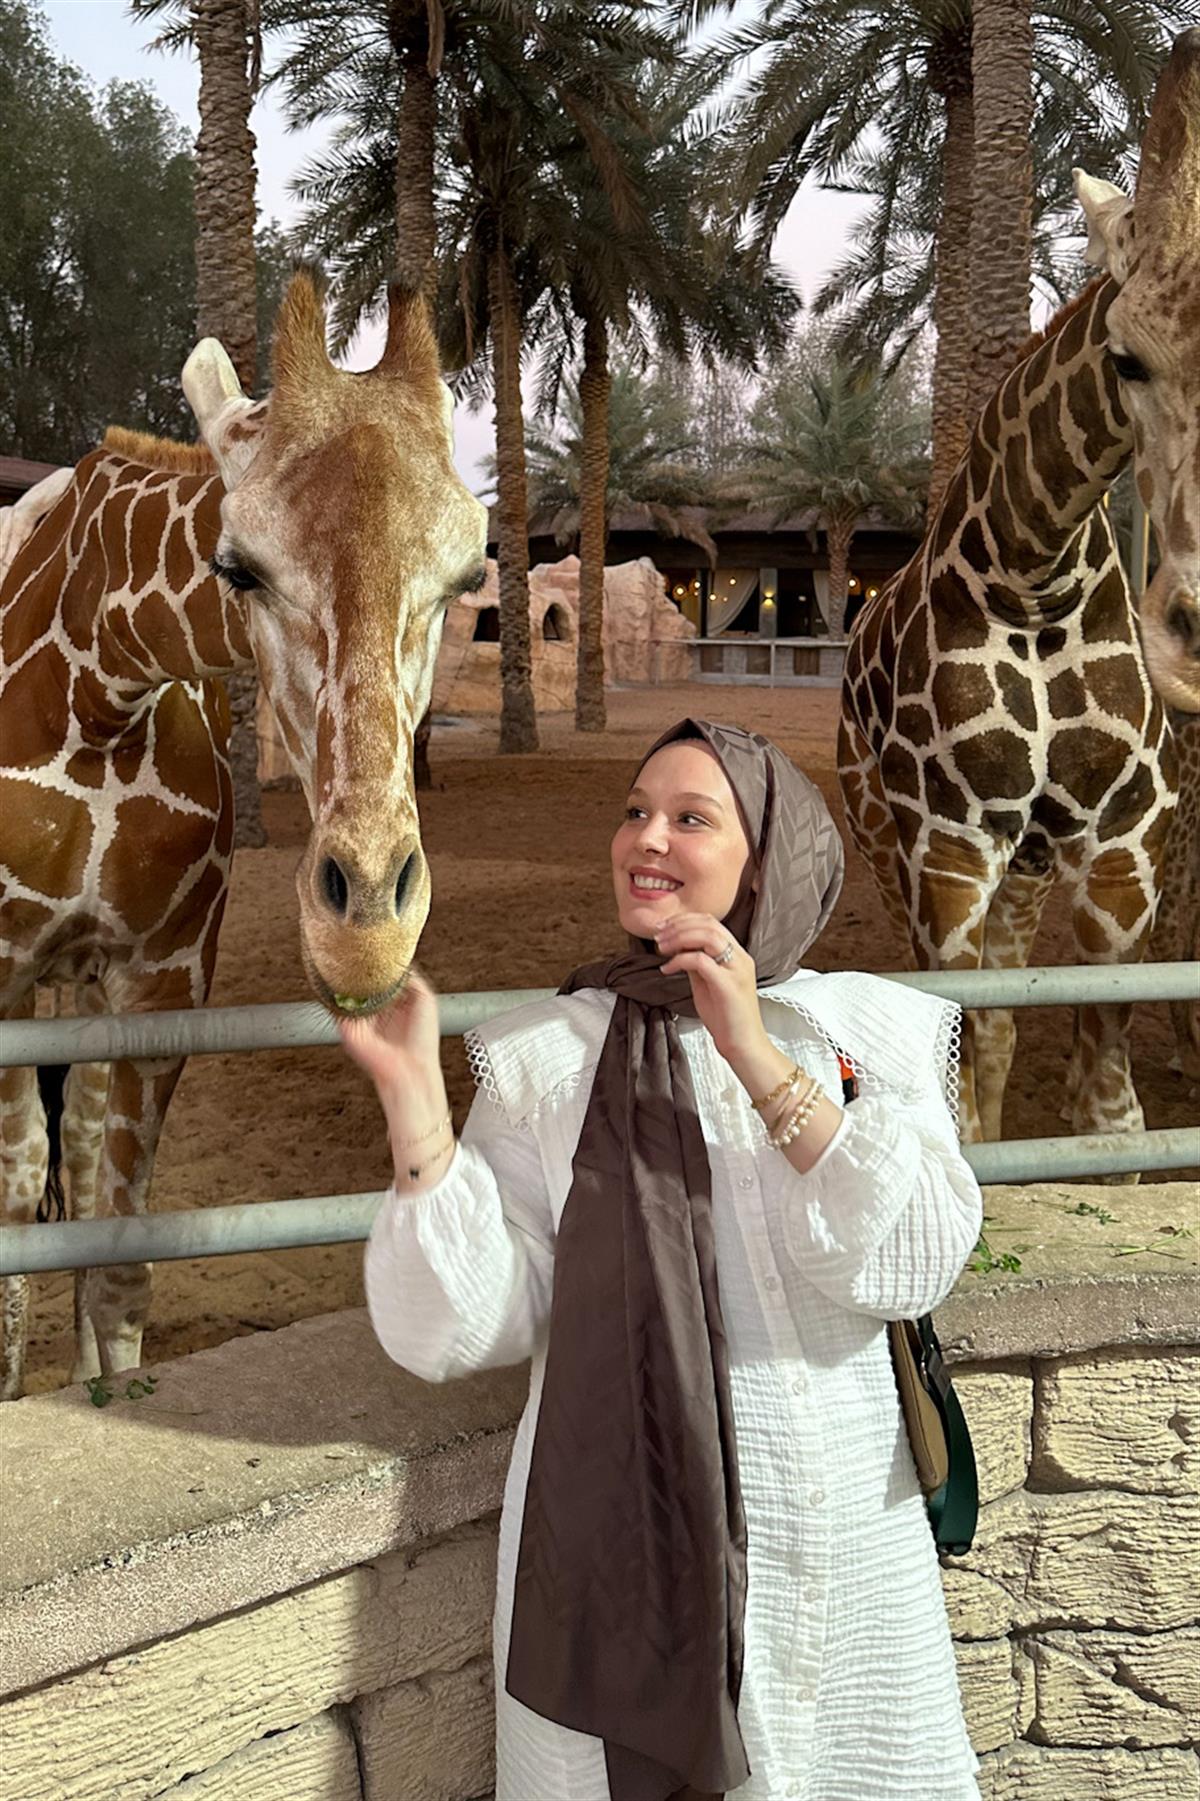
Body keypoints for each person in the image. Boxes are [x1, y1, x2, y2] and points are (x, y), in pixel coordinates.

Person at [341, 719, 982, 1801]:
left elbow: (911, 1261)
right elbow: (471, 1320)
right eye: (635, 810)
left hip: (833, 1549)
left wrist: (753, 1049)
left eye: (692, 817)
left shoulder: (863, 1031)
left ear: (764, 860)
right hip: (611, 1574)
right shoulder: (547, 1053)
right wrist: (413, 1105)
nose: (648, 837)